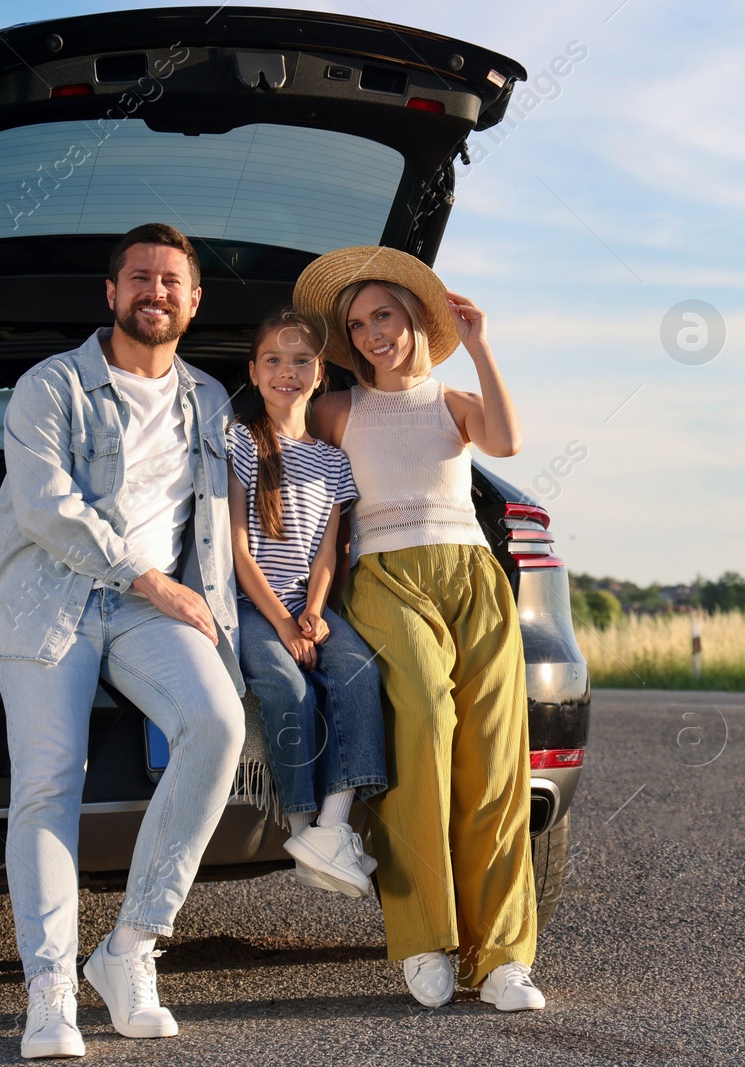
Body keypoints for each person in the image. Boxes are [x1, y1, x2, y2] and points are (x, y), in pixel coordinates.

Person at [0, 222, 247, 1059]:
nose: (155, 292)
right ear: (111, 293)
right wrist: (148, 578)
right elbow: (47, 506)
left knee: (217, 725)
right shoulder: (52, 386)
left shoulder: (211, 400)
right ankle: (49, 988)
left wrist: (237, 615)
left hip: (152, 608)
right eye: (140, 278)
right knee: (50, 779)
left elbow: (227, 525)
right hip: (50, 597)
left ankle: (128, 949)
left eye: (171, 282)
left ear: (194, 301)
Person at [296, 246, 545, 1012]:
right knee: (425, 732)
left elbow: (506, 443)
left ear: (414, 322)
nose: (373, 333)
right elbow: (288, 468)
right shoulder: (339, 410)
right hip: (386, 578)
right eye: (359, 323)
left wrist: (480, 343)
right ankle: (425, 939)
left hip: (473, 577)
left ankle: (502, 958)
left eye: (385, 317)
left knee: (495, 758)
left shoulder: (453, 399)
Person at [228, 309, 388, 897]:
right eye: (273, 359)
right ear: (253, 370)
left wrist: (315, 613)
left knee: (356, 672)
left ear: (319, 375)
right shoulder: (241, 444)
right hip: (254, 604)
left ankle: (333, 826)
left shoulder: (332, 461)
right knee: (286, 684)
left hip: (306, 603)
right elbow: (239, 553)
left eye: (300, 361)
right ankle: (301, 828)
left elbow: (330, 553)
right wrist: (285, 625)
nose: (286, 371)